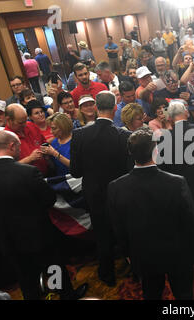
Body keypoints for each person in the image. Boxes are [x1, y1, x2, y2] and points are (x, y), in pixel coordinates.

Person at [0, 130, 88, 300]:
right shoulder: (28, 173)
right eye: (18, 147)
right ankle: (65, 296)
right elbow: (49, 199)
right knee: (53, 269)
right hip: (39, 236)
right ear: (11, 146)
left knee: (26, 279)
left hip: (8, 241)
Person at [108, 127, 194, 299]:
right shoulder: (176, 183)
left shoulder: (115, 187)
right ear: (156, 151)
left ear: (129, 152)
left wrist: (128, 253)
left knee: (151, 294)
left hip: (143, 254)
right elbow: (191, 220)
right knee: (184, 294)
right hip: (177, 252)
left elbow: (118, 228)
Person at [70, 91, 132, 287]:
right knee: (126, 232)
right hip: (120, 193)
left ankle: (107, 274)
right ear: (115, 108)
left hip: (95, 195)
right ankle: (135, 269)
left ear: (96, 108)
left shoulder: (79, 135)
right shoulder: (124, 135)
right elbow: (130, 170)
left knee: (102, 235)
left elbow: (76, 172)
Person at [4, 104, 48, 175]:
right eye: (20, 123)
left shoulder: (30, 125)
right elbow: (7, 168)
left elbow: (44, 143)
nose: (24, 125)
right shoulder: (4, 138)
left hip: (45, 174)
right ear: (8, 120)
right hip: (25, 180)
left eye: (25, 120)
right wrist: (30, 159)